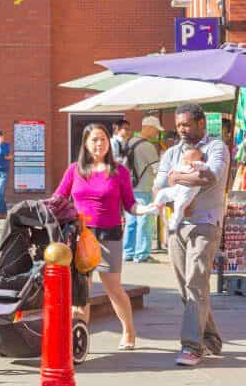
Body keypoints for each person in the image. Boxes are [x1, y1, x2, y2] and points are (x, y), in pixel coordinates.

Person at [52, 123, 151, 350]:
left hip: (109, 235)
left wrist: (144, 209)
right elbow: (58, 198)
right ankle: (79, 339)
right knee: (80, 290)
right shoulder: (74, 170)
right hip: (80, 235)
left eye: (103, 139)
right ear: (86, 144)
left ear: (109, 142)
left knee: (113, 288)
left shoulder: (119, 171)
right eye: (94, 140)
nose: (99, 144)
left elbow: (130, 204)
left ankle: (128, 331)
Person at [152, 103, 229, 368]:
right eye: (179, 125)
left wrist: (176, 177)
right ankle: (211, 339)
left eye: (186, 124)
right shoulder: (172, 152)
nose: (182, 129)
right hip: (177, 226)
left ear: (201, 123)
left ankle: (191, 346)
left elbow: (211, 177)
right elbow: (158, 187)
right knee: (187, 288)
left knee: (196, 282)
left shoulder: (216, 148)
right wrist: (180, 177)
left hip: (206, 223)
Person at [121, 116, 163, 263]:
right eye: (156, 130)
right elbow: (157, 169)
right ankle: (142, 254)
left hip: (128, 188)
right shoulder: (148, 146)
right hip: (144, 187)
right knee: (145, 221)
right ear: (149, 128)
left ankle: (128, 252)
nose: (157, 133)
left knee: (131, 221)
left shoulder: (129, 142)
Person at [141, 147, 204, 230]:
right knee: (162, 193)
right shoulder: (183, 166)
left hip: (186, 194)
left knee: (179, 206)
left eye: (188, 159)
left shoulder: (198, 167)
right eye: (184, 158)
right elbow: (175, 169)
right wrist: (172, 171)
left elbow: (203, 168)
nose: (185, 161)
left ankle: (174, 223)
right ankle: (156, 207)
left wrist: (197, 164)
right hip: (176, 189)